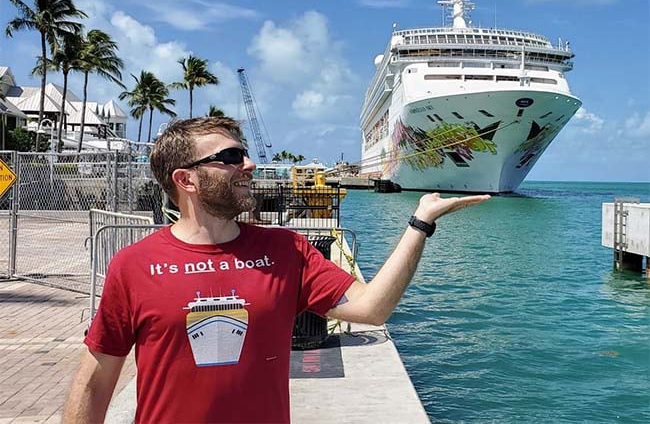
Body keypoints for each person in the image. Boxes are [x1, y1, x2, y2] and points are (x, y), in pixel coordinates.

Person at [62, 117, 489, 424]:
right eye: (229, 157)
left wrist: (420, 222)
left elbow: (372, 309)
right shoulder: (135, 266)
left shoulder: (286, 250)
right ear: (185, 180)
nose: (248, 164)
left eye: (244, 153)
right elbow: (94, 382)